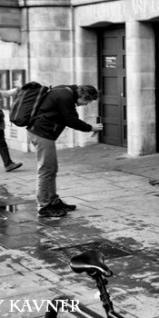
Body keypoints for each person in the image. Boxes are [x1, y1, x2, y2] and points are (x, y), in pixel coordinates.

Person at [27, 85, 103, 218]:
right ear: (82, 96)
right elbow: (72, 120)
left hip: (43, 133)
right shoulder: (66, 97)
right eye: (87, 101)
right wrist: (91, 127)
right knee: (46, 170)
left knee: (51, 169)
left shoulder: (65, 91)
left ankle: (53, 201)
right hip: (42, 134)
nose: (86, 105)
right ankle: (44, 206)